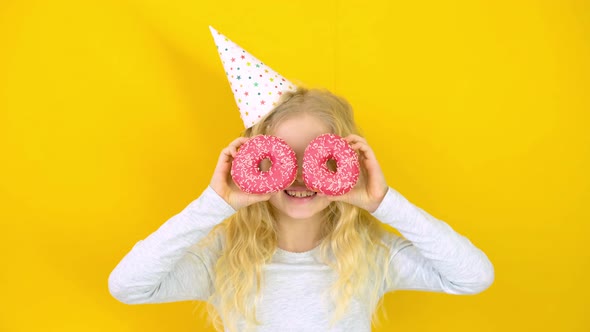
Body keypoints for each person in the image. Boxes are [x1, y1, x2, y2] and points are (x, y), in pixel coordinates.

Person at [108, 87, 495, 332]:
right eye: (281, 159)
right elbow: (128, 286)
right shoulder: (223, 258)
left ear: (348, 163)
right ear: (255, 163)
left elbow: (473, 276)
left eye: (319, 158)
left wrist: (384, 203)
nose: (300, 176)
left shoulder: (371, 254)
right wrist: (214, 204)